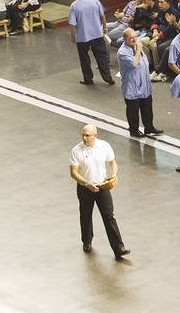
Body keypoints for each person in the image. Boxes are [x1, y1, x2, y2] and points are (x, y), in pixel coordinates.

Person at [68, 125, 130, 260]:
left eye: (87, 135)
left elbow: (113, 163)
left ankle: (118, 248)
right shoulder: (76, 150)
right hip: (85, 188)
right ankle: (87, 241)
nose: (84, 138)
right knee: (85, 215)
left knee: (109, 216)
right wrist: (86, 183)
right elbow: (73, 172)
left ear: (95, 135)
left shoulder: (104, 146)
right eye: (83, 135)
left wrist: (113, 174)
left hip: (102, 187)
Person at [117, 30, 164, 138]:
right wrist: (138, 50)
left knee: (147, 108)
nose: (135, 39)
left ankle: (149, 128)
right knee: (133, 111)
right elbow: (134, 64)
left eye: (135, 36)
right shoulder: (123, 52)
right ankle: (134, 130)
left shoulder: (136, 47)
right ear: (125, 39)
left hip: (144, 86)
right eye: (131, 38)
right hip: (132, 87)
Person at [68, 0, 114, 86]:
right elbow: (102, 16)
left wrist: (73, 36)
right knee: (101, 57)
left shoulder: (74, 6)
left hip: (82, 37)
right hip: (97, 34)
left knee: (84, 59)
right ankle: (108, 78)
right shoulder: (95, 1)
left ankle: (88, 79)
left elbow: (72, 24)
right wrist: (105, 28)